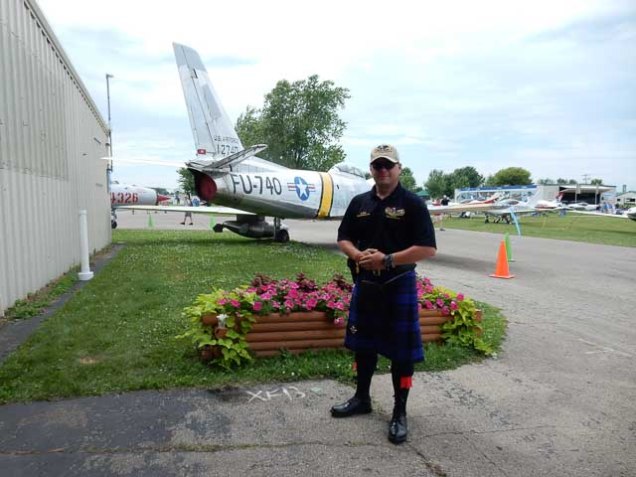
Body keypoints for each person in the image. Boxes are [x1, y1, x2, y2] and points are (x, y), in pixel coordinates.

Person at [332, 144, 437, 445]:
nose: (383, 170)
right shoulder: (360, 202)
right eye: (377, 165)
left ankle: (399, 412)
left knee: (401, 353)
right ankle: (361, 398)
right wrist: (357, 255)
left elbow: (428, 248)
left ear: (399, 168)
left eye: (388, 165)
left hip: (398, 283)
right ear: (371, 169)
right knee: (363, 345)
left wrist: (387, 260)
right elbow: (343, 237)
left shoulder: (412, 203)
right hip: (366, 284)